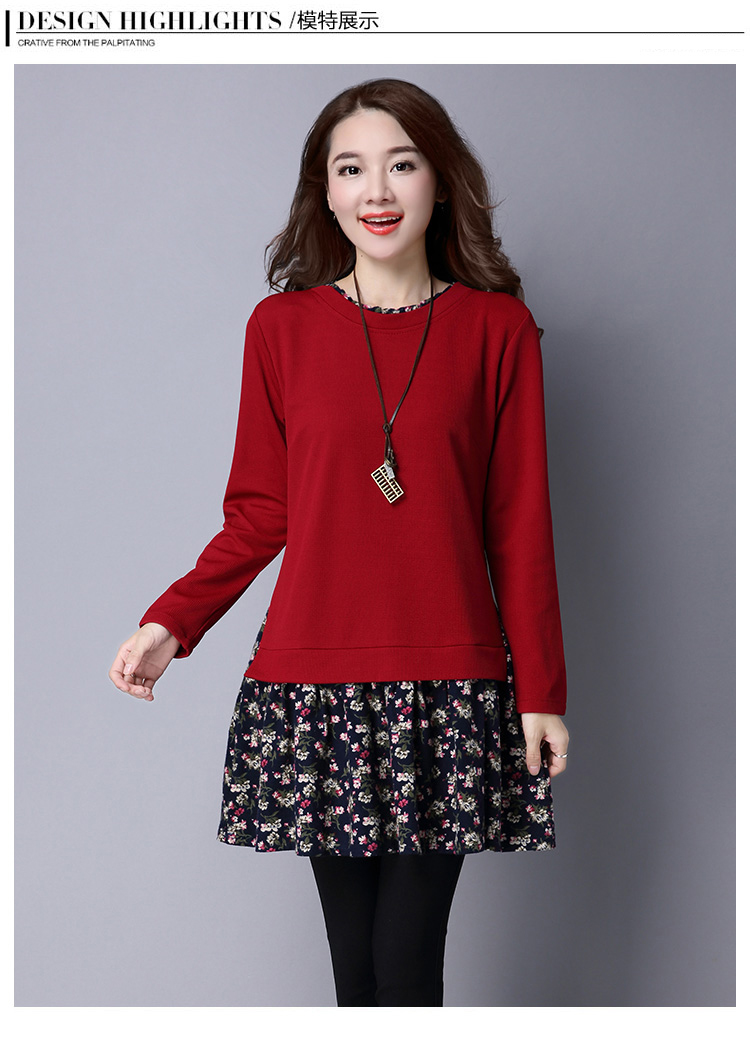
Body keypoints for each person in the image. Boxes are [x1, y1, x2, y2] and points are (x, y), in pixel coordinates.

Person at [109, 78, 570, 1007]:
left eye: (402, 164)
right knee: (356, 978)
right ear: (324, 192)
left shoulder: (498, 330)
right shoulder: (281, 329)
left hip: (449, 689)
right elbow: (260, 511)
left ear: (440, 180)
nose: (378, 191)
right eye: (351, 169)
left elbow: (519, 525)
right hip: (314, 686)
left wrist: (542, 693)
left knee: (407, 966)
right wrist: (172, 623)